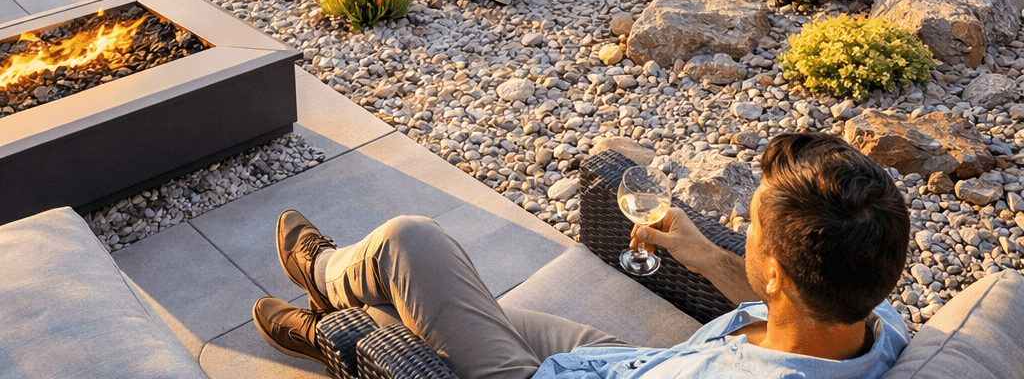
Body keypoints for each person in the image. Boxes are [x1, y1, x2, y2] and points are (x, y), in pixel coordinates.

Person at [253, 132, 912, 379]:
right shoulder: (877, 324)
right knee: (446, 304)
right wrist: (707, 256)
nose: (742, 230)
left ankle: (330, 305)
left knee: (409, 242)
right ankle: (349, 307)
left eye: (750, 228)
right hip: (635, 361)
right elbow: (797, 310)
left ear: (773, 269)